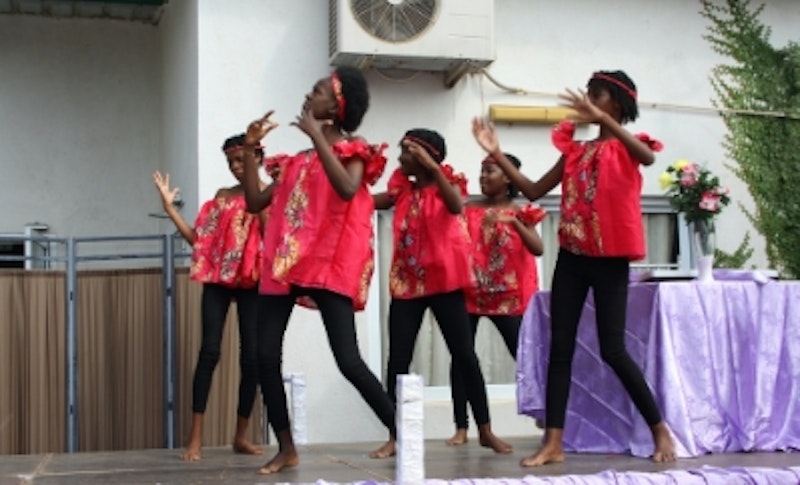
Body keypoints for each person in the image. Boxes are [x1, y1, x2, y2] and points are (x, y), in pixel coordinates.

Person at [471, 70, 677, 466]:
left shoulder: (629, 147)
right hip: (573, 256)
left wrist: (604, 122)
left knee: (612, 349)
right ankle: (554, 443)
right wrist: (496, 152)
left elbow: (648, 157)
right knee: (560, 349)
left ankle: (659, 428)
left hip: (610, 260)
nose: (587, 101)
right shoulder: (577, 152)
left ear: (616, 103)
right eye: (587, 95)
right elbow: (532, 192)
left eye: (595, 95)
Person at [240, 65, 396, 475]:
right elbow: (256, 203)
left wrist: (316, 138)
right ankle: (287, 446)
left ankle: (399, 430)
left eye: (319, 91)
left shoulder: (354, 148)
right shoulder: (294, 162)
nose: (310, 95)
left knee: (347, 359)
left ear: (338, 105)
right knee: (262, 355)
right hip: (286, 264)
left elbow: (347, 188)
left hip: (328, 263)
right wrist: (250, 151)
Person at [373, 128, 513, 456]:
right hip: (408, 285)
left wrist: (433, 169)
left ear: (425, 156)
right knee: (398, 359)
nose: (400, 157)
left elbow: (454, 206)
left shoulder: (449, 186)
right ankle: (396, 435)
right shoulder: (401, 191)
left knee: (464, 354)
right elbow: (362, 201)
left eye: (407, 151)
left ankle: (486, 430)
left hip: (445, 283)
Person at [152, 134, 265, 461]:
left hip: (252, 282)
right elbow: (200, 243)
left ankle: (240, 437)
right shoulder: (222, 198)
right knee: (209, 351)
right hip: (219, 280)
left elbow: (275, 240)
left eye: (241, 160)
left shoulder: (268, 196)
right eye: (230, 162)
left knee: (252, 358)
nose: (235, 167)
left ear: (257, 157)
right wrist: (170, 210)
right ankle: (195, 438)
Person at [446, 151, 546, 447]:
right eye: (482, 171)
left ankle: (545, 413)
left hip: (508, 295)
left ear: (507, 178)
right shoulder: (466, 208)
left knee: (523, 355)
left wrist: (514, 223)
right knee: (461, 356)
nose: (483, 176)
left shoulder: (520, 211)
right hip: (469, 290)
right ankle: (462, 427)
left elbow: (538, 248)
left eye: (490, 171)